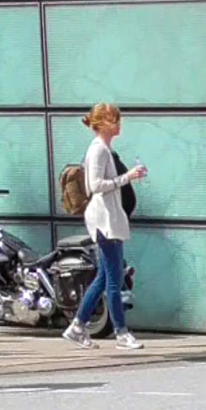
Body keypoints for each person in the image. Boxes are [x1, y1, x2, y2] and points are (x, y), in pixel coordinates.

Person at [62, 103, 146, 351]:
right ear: (103, 124)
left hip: (108, 219)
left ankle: (77, 326)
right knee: (113, 279)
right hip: (104, 221)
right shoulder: (98, 150)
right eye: (114, 120)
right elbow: (95, 185)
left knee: (103, 277)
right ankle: (121, 332)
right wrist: (127, 177)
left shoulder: (103, 150)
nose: (119, 124)